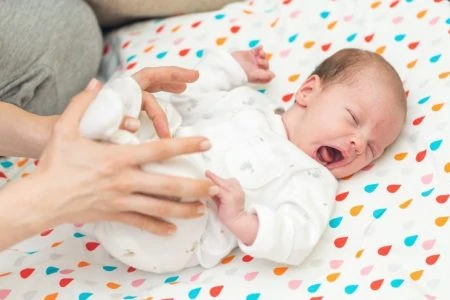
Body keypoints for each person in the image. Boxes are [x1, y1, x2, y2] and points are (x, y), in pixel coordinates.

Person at [82, 46, 406, 273]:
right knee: (159, 108)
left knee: (185, 175)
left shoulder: (313, 179)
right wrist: (231, 68)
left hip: (176, 231)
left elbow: (296, 236)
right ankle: (103, 123)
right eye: (352, 118)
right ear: (308, 92)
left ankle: (107, 125)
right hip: (108, 188)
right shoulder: (248, 102)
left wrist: (239, 218)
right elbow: (193, 93)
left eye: (372, 150)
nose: (357, 142)